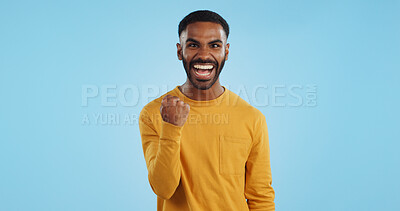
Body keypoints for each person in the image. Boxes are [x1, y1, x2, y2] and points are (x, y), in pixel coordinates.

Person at [139, 10, 275, 210]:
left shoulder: (252, 118)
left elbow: (261, 196)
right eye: (193, 45)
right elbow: (163, 188)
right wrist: (171, 128)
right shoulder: (153, 113)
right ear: (179, 51)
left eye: (214, 45)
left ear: (226, 52)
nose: (203, 55)